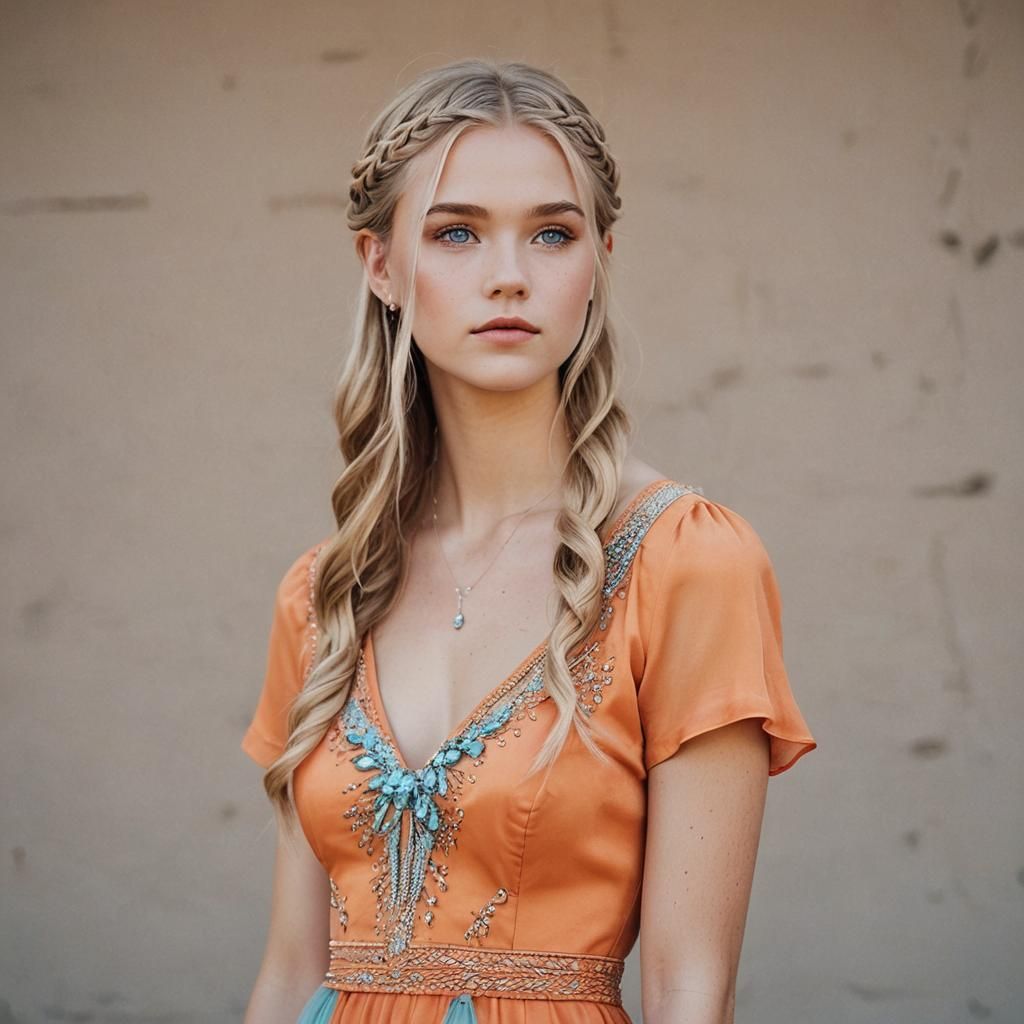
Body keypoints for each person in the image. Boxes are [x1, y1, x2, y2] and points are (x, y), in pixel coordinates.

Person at [240, 58, 817, 1024]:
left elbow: (691, 990)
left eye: (553, 233)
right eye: (456, 232)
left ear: (597, 262)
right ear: (380, 265)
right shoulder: (323, 593)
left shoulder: (687, 561)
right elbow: (291, 971)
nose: (509, 274)